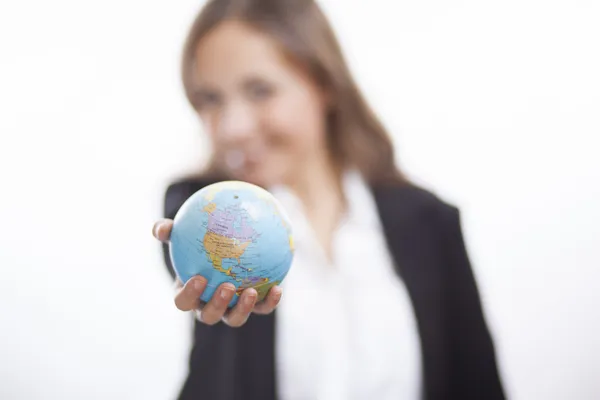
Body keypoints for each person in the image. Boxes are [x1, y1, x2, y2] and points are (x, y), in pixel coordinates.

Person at [152, 0, 506, 399]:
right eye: (210, 99)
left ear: (325, 84)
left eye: (259, 90)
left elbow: (477, 383)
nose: (233, 128)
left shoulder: (428, 222)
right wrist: (199, 278)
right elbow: (183, 258)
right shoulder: (206, 216)